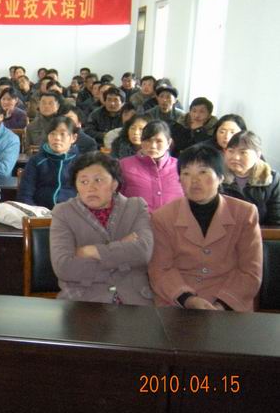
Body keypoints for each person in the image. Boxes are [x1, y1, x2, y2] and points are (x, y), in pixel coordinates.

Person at [149, 144, 263, 311]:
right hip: (178, 304)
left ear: (221, 177)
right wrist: (187, 299)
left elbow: (250, 271)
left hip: (231, 304)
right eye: (186, 173)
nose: (194, 180)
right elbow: (160, 269)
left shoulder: (245, 213)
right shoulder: (162, 217)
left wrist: (221, 305)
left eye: (203, 172)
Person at [50, 151, 154, 306]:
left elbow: (143, 253)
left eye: (98, 180)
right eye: (83, 182)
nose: (91, 188)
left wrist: (91, 251)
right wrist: (122, 251)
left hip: (134, 301)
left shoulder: (136, 207)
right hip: (83, 301)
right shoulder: (63, 212)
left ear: (114, 184)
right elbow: (64, 267)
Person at [120, 120, 184, 212]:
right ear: (141, 141)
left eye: (159, 141)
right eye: (148, 140)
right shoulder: (124, 166)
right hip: (135, 220)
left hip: (174, 220)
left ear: (169, 143)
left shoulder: (181, 167)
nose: (153, 146)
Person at [18, 116, 79, 209]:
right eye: (52, 133)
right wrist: (35, 213)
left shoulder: (80, 163)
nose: (57, 138)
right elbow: (25, 194)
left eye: (62, 134)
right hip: (39, 212)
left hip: (71, 213)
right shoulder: (36, 161)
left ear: (73, 138)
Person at [222, 131, 280, 225]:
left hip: (261, 233)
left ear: (258, 155)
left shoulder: (272, 179)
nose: (235, 157)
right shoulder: (216, 176)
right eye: (231, 151)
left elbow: (276, 221)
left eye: (243, 152)